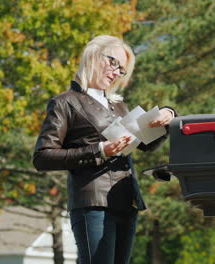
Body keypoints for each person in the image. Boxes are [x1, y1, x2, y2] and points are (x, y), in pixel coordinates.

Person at [32, 35, 175, 264]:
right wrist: (99, 150)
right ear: (93, 56)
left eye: (122, 70)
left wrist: (168, 116)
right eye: (114, 63)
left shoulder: (119, 106)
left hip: (126, 200)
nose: (116, 72)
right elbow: (42, 157)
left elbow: (147, 144)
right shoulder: (65, 102)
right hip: (93, 204)